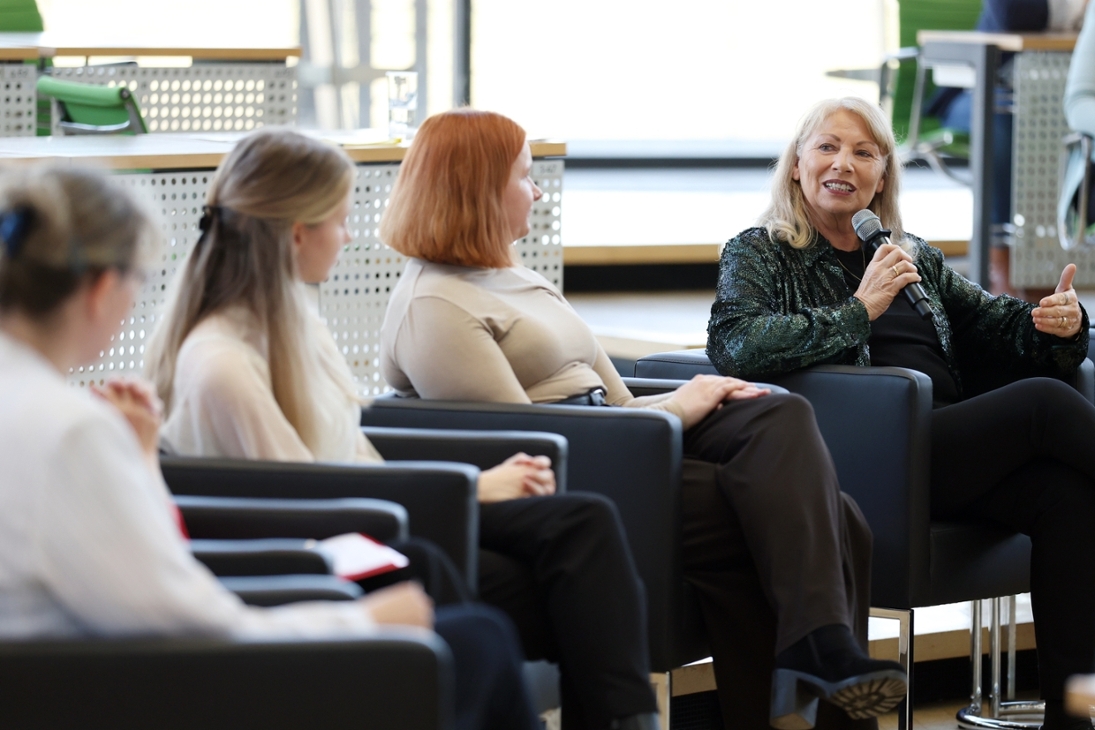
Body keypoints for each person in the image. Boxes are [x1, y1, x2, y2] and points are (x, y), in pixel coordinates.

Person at [376, 108, 908, 730]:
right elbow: (529, 444)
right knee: (833, 518)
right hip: (585, 470)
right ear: (478, 190)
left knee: (776, 412)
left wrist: (693, 397)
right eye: (525, 177)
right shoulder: (438, 303)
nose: (538, 191)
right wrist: (677, 408)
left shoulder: (510, 275)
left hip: (616, 435)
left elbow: (618, 403)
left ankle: (821, 649)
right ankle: (825, 660)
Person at [142, 128, 661, 730]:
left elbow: (348, 451)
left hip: (372, 506)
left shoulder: (291, 323)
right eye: (339, 220)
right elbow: (308, 500)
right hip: (336, 541)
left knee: (581, 522)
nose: (350, 235)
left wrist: (457, 487)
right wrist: (467, 490)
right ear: (296, 234)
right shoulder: (222, 363)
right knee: (565, 590)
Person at [0, 164, 538, 730]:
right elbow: (195, 627)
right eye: (139, 280)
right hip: (136, 692)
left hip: (74, 678)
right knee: (480, 640)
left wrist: (139, 460)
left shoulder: (39, 409)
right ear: (103, 288)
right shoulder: (71, 430)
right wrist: (363, 622)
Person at [706, 96, 1095, 730]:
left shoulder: (909, 255)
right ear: (797, 163)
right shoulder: (760, 251)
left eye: (864, 153)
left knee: (1066, 495)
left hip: (950, 450)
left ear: (883, 175)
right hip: (868, 458)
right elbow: (738, 345)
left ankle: (1072, 717)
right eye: (827, 147)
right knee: (1045, 405)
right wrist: (858, 311)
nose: (844, 164)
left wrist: (1058, 325)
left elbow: (1003, 328)